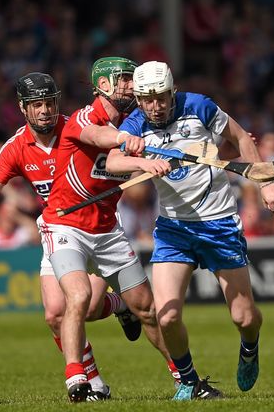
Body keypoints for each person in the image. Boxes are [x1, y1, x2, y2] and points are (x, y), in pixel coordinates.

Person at [0, 72, 172, 401]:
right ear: (23, 108)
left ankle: (122, 308)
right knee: (56, 313)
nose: (45, 110)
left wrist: (122, 140)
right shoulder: (17, 147)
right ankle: (91, 383)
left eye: (50, 102)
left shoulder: (74, 125)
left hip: (102, 226)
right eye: (37, 105)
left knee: (91, 308)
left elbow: (98, 132)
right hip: (59, 228)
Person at [106, 61, 274, 401]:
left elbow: (241, 139)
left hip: (219, 224)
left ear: (172, 93)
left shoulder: (198, 106)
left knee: (244, 317)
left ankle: (250, 347)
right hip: (174, 229)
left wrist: (265, 185)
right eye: (146, 99)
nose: (154, 106)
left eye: (160, 98)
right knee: (167, 315)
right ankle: (189, 380)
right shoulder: (135, 124)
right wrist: (142, 162)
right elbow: (113, 161)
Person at [38, 58, 175, 402]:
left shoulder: (138, 121)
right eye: (124, 79)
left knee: (147, 308)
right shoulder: (84, 118)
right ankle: (77, 381)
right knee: (78, 296)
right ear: (102, 85)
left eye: (132, 79)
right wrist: (127, 141)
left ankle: (184, 377)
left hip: (107, 229)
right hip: (65, 223)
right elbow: (97, 136)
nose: (131, 85)